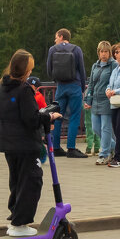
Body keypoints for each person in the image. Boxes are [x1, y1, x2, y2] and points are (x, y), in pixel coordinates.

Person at [0, 50, 62, 237]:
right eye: (30, 69)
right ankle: (20, 223)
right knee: (31, 181)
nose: (30, 73)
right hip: (24, 143)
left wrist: (41, 115)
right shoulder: (24, 89)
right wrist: (49, 116)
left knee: (16, 181)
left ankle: (15, 217)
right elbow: (30, 119)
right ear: (23, 69)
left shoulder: (3, 86)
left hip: (8, 143)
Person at [45, 28, 87, 158]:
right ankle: (71, 148)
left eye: (56, 37)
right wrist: (81, 87)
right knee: (74, 117)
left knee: (57, 116)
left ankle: (56, 148)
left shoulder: (52, 49)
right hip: (74, 86)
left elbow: (49, 68)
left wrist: (56, 80)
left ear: (61, 36)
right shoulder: (76, 49)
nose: (55, 40)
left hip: (61, 87)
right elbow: (82, 69)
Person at [84, 41, 117, 165]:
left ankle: (104, 154)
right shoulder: (95, 66)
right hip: (96, 100)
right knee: (96, 128)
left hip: (107, 100)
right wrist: (88, 99)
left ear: (110, 53)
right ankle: (115, 146)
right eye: (102, 51)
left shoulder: (113, 65)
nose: (104, 54)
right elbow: (91, 84)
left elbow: (115, 81)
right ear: (98, 52)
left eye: (106, 52)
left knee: (105, 128)